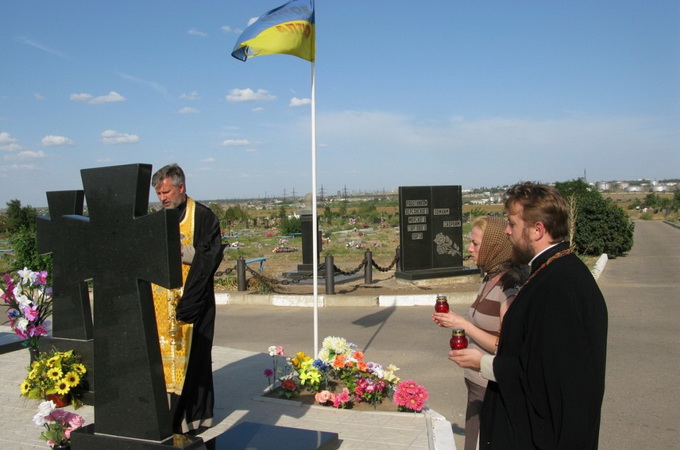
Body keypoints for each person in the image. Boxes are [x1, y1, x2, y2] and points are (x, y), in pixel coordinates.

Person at [449, 182, 608, 449]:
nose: (507, 231)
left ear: (537, 229)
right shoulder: (554, 271)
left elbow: (548, 375)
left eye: (512, 224)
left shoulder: (558, 285)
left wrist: (484, 363)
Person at [433, 215, 526, 450]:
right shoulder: (489, 277)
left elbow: (506, 346)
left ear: (493, 246)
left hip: (492, 387)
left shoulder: (509, 288)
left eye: (475, 243)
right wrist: (454, 324)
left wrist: (464, 324)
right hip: (477, 385)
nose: (469, 248)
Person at [151, 163, 223, 435]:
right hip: (161, 305)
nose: (163, 198)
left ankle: (192, 417)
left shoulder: (203, 216)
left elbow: (210, 255)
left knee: (195, 359)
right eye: (158, 194)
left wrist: (178, 250)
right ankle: (168, 416)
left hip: (194, 301)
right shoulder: (158, 219)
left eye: (166, 192)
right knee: (164, 361)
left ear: (181, 187)